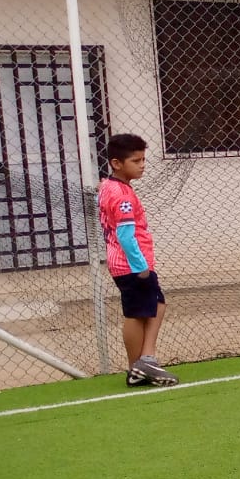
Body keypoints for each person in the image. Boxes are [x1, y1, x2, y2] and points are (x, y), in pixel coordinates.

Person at [97, 133, 178, 386]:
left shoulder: (110, 186)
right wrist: (141, 266)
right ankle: (139, 365)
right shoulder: (121, 195)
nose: (142, 165)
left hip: (127, 262)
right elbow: (125, 234)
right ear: (116, 163)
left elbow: (105, 193)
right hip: (131, 264)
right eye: (135, 161)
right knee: (136, 313)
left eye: (143, 159)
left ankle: (144, 362)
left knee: (156, 304)